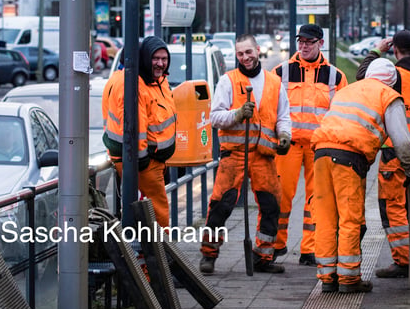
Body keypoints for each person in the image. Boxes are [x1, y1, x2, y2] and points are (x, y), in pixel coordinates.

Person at [311, 58, 410, 293]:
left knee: (326, 217)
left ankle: (328, 277)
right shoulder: (388, 96)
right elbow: (401, 140)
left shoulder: (347, 90)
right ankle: (349, 279)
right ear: (392, 81)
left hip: (320, 153)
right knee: (350, 219)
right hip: (349, 158)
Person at [199, 34, 291, 274]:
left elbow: (283, 117)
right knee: (221, 205)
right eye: (240, 54)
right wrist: (238, 114)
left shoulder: (274, 83)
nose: (245, 57)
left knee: (271, 205)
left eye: (248, 52)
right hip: (235, 155)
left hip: (263, 154)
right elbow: (216, 117)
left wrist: (284, 136)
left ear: (257, 50)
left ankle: (263, 256)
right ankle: (209, 254)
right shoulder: (228, 81)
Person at [356, 30, 410, 278]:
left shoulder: (396, 76)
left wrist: (375, 51)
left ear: (395, 50)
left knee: (393, 206)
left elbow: (364, 80)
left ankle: (405, 261)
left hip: (396, 153)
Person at [271, 23, 348, 266]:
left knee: (317, 199)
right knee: (281, 196)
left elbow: (342, 112)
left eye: (309, 42)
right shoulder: (281, 72)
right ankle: (276, 245)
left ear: (320, 44)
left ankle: (310, 249)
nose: (303, 46)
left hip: (319, 147)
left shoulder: (335, 76)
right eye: (301, 42)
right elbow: (269, 108)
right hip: (288, 146)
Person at [102, 36, 177, 227]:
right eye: (155, 58)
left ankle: (154, 251)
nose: (160, 64)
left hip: (152, 160)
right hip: (143, 162)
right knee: (156, 213)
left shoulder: (157, 81)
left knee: (152, 211)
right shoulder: (131, 84)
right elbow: (137, 128)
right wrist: (141, 160)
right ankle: (158, 253)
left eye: (164, 59)